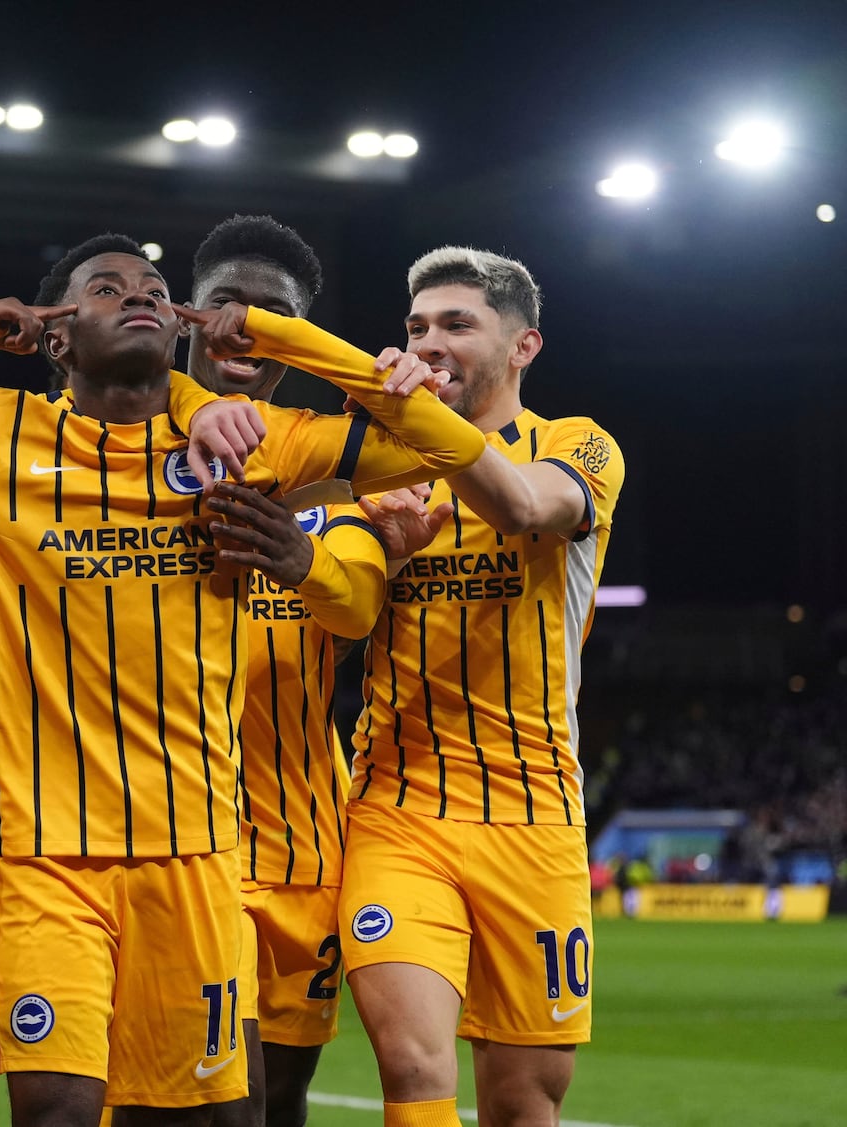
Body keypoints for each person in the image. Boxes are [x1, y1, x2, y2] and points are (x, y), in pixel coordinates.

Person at [0, 234, 486, 1126]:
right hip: (47, 864)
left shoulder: (247, 446)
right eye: (104, 288)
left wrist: (275, 335)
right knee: (59, 1108)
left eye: (152, 287)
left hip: (195, 856)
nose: (138, 294)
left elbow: (447, 447)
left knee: (210, 1118)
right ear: (56, 336)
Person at [339, 247, 626, 1127]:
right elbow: (319, 624)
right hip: (398, 813)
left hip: (535, 820)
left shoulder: (577, 444)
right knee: (414, 1063)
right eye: (416, 327)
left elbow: (526, 509)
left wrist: (420, 421)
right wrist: (371, 554)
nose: (429, 342)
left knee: (522, 1098)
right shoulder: (374, 468)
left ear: (523, 344)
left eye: (457, 324)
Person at [182, 215, 401, 1127]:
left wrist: (297, 560)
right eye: (227, 304)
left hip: (303, 855)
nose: (245, 327)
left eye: (275, 315)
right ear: (190, 315)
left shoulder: (326, 473)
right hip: (181, 850)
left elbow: (356, 606)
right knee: (173, 1097)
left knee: (279, 1100)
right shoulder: (119, 452)